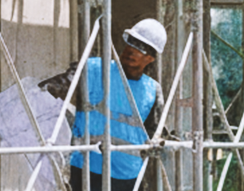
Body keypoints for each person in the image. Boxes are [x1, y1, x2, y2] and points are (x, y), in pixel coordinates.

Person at [40, 19, 168, 191]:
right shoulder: (93, 69)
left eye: (140, 47)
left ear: (150, 58)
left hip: (127, 175)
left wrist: (160, 141)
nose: (131, 50)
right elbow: (50, 91)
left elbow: (155, 132)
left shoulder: (152, 90)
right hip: (86, 168)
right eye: (130, 42)